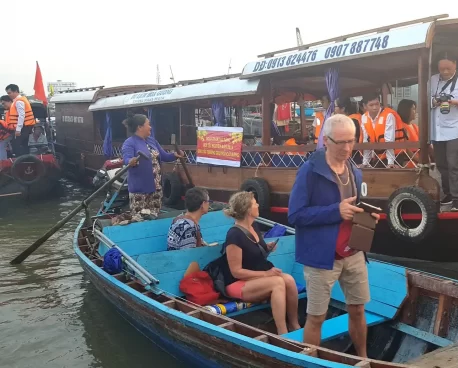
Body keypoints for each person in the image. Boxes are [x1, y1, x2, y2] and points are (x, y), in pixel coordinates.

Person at [288, 114, 379, 357]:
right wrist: (335, 211)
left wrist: (366, 217)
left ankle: (362, 358)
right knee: (316, 316)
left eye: (351, 141)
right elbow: (295, 215)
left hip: (354, 252)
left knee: (358, 309)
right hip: (321, 256)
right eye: (340, 142)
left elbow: (352, 209)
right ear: (325, 141)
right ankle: (309, 362)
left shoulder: (354, 170)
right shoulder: (309, 172)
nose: (347, 148)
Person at [205, 191, 300, 335]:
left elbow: (252, 252)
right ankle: (283, 334)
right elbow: (236, 271)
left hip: (254, 277)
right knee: (277, 283)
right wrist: (266, 274)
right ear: (248, 209)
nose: (258, 205)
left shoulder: (253, 226)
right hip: (236, 282)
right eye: (255, 203)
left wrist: (267, 247)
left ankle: (294, 325)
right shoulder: (234, 235)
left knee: (289, 280)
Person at [429, 53, 458, 210]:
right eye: (441, 68)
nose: (445, 72)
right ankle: (448, 193)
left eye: (448, 68)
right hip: (437, 129)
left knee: (454, 164)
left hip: (455, 128)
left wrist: (457, 102)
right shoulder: (433, 80)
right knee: (442, 164)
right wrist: (434, 101)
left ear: (455, 64)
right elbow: (425, 99)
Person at [116, 114, 183, 224]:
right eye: (148, 124)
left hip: (156, 188)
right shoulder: (130, 142)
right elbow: (126, 159)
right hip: (140, 190)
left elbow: (164, 156)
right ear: (140, 127)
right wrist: (130, 161)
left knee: (154, 217)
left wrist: (175, 155)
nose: (150, 127)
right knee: (138, 219)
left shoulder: (152, 141)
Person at [361, 93, 406, 168]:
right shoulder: (364, 117)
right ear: (364, 106)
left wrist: (391, 162)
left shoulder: (388, 115)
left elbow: (389, 140)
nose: (375, 107)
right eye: (371, 105)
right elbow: (366, 140)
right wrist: (365, 162)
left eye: (377, 104)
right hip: (379, 156)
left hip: (395, 156)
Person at [4, 84, 35, 156]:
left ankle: (20, 160)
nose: (9, 95)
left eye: (9, 93)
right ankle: (25, 160)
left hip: (23, 127)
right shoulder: (20, 100)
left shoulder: (19, 101)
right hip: (26, 126)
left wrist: (18, 129)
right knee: (24, 145)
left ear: (15, 91)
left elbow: (21, 115)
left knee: (16, 144)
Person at [0, 96, 12, 160]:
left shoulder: (13, 110)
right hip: (9, 133)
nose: (3, 105)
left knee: (1, 146)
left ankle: (3, 163)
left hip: (12, 133)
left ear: (9, 101)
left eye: (3, 103)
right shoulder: (8, 111)